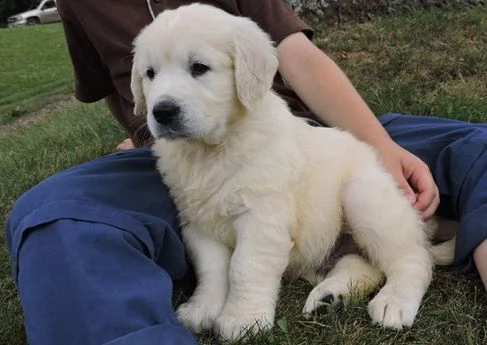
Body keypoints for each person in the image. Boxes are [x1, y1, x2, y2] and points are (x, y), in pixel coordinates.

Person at [4, 0, 486, 344]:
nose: (162, 92)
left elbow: (296, 57)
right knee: (53, 215)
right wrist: (142, 128)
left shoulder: (246, 53)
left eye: (197, 67)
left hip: (319, 131)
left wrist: (380, 147)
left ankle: (406, 266)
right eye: (152, 77)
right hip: (178, 152)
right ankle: (352, 270)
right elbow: (123, 91)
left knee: (475, 147)